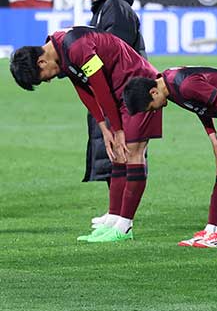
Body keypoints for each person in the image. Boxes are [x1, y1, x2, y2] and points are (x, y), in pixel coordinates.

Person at [10, 27, 161, 243]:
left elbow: (99, 87)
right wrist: (103, 126)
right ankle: (115, 219)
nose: (48, 80)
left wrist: (117, 130)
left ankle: (124, 227)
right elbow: (83, 88)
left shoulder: (76, 47)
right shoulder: (59, 48)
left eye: (42, 78)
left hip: (140, 87)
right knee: (118, 155)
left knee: (132, 152)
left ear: (41, 62)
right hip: (120, 92)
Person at [122, 67, 217, 248]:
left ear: (153, 92)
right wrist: (212, 136)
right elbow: (199, 105)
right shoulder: (168, 86)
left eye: (151, 107)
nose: (154, 111)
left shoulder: (184, 85)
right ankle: (212, 229)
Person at [76, 0, 145, 229]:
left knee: (125, 151)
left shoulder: (115, 9)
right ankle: (115, 211)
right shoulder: (105, 8)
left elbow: (118, 57)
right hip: (113, 93)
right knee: (113, 153)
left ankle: (123, 219)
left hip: (124, 95)